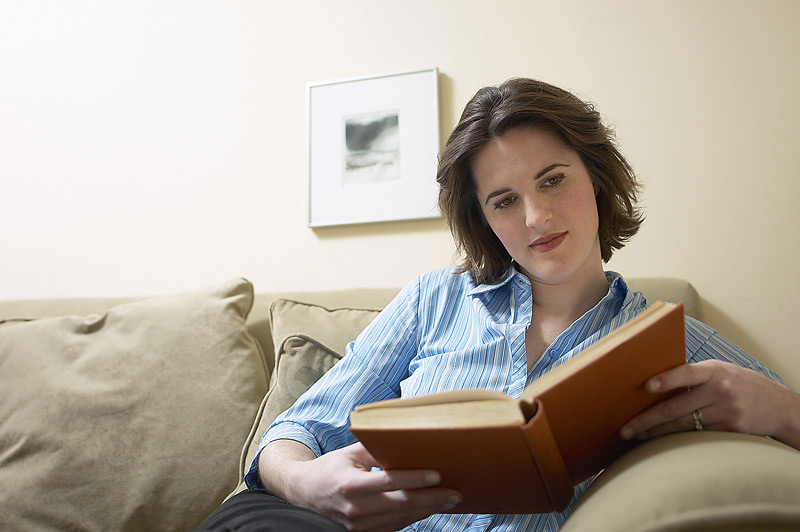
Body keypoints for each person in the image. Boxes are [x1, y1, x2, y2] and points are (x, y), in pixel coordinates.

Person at [196, 78, 800, 532]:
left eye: (554, 179)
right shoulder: (436, 299)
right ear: (484, 220)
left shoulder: (669, 338)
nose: (536, 218)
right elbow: (293, 431)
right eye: (504, 200)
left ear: (595, 178)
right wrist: (307, 482)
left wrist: (778, 408)